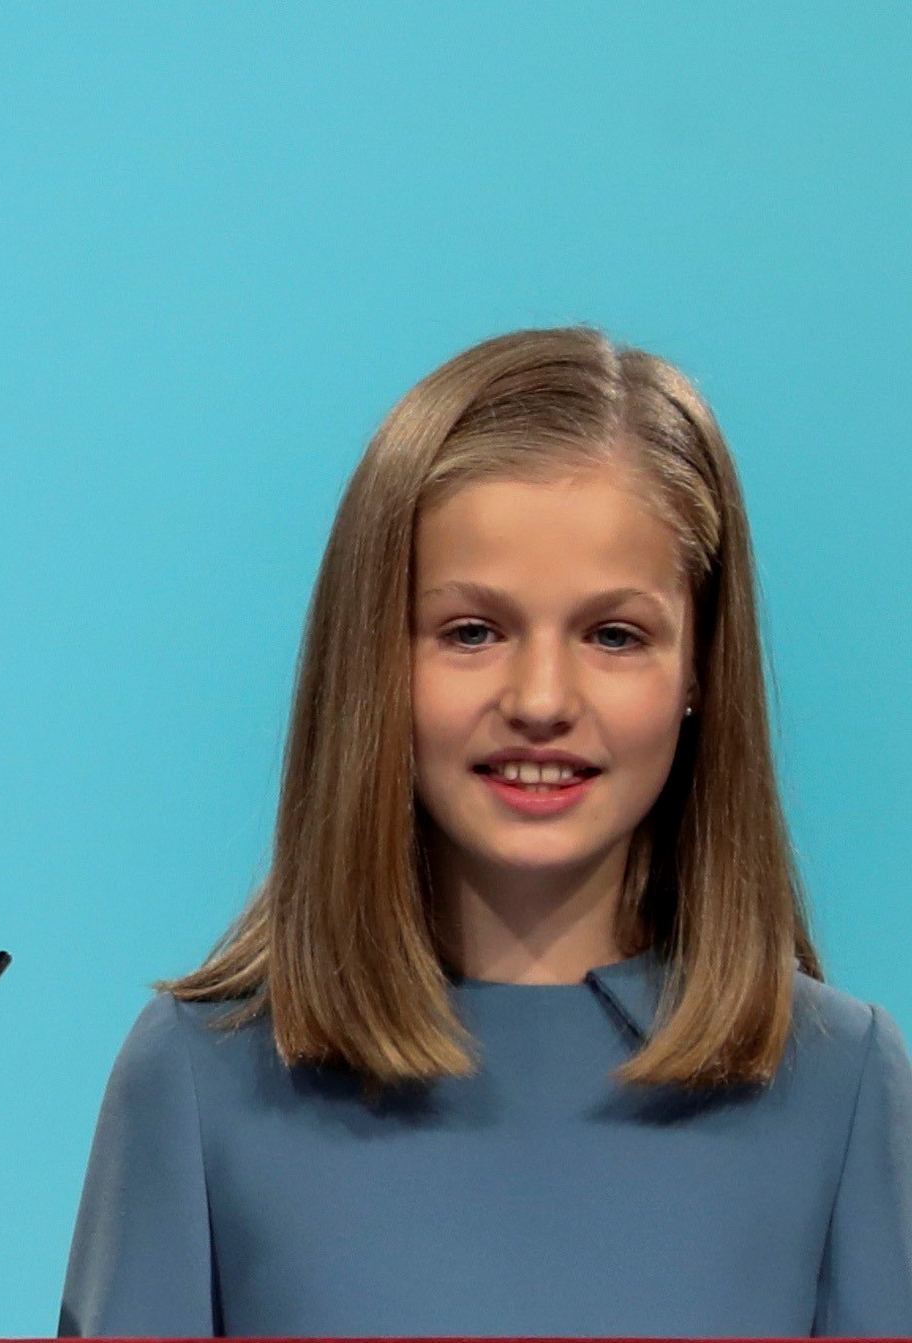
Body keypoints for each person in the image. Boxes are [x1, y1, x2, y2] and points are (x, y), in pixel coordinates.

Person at [59, 327, 912, 1337]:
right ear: (375, 661)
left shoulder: (841, 1083)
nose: (541, 698)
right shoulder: (197, 1077)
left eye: (614, 634)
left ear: (700, 676)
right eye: (472, 630)